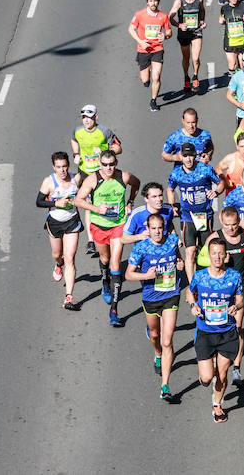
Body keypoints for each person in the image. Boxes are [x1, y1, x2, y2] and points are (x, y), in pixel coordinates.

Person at [74, 150, 140, 327]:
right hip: (99, 225)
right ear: (100, 164)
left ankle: (114, 311)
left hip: (118, 225)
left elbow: (137, 184)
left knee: (116, 265)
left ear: (116, 163)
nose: (108, 168)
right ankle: (105, 281)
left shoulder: (123, 177)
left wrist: (129, 202)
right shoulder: (93, 179)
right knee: (105, 258)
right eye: (105, 165)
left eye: (111, 164)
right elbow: (78, 201)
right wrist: (96, 209)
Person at [125, 213, 184, 401]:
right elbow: (128, 274)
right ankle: (157, 353)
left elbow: (178, 258)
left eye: (160, 228)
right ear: (148, 230)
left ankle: (165, 385)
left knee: (167, 340)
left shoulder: (173, 240)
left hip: (171, 295)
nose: (158, 232)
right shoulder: (141, 247)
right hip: (151, 297)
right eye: (154, 229)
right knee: (155, 335)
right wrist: (146, 276)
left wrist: (180, 263)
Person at [186, 237, 244, 423]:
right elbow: (190, 292)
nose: (217, 257)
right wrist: (194, 304)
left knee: (222, 373)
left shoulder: (234, 276)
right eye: (214, 253)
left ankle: (217, 405)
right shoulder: (200, 276)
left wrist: (236, 306)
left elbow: (241, 298)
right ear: (209, 255)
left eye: (221, 253)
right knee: (206, 377)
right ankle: (206, 375)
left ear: (226, 255)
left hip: (227, 332)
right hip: (205, 332)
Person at [200, 205, 244, 386]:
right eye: (228, 225)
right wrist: (221, 260)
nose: (231, 228)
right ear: (221, 221)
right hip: (219, 289)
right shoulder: (215, 238)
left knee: (238, 326)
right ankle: (216, 356)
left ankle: (236, 368)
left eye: (235, 224)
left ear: (239, 222)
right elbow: (201, 260)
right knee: (222, 324)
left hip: (240, 285)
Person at [166, 143, 223, 282]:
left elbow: (221, 183)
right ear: (181, 157)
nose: (188, 159)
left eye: (191, 155)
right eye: (185, 156)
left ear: (195, 156)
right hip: (187, 216)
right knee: (190, 252)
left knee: (206, 251)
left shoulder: (205, 169)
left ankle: (208, 280)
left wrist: (215, 192)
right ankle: (193, 285)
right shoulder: (176, 173)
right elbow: (170, 189)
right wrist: (173, 204)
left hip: (205, 216)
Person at [70, 104, 122, 255]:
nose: (86, 120)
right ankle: (91, 240)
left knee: (104, 201)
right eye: (84, 117)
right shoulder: (78, 131)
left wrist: (107, 151)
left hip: (103, 172)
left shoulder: (104, 131)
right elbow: (73, 139)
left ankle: (110, 231)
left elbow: (119, 147)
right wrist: (76, 154)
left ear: (96, 117)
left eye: (89, 116)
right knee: (88, 204)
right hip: (86, 172)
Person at [36, 151, 82, 310]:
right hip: (54, 222)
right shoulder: (49, 182)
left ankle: (68, 297)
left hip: (72, 221)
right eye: (58, 167)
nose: (62, 170)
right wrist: (56, 204)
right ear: (53, 167)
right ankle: (58, 264)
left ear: (68, 166)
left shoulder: (76, 179)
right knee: (57, 254)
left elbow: (88, 190)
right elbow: (39, 202)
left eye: (64, 166)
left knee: (70, 257)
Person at [128, 0, 172, 112]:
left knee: (156, 77)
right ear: (147, 2)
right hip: (143, 50)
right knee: (145, 79)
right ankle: (145, 78)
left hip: (157, 49)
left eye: (155, 1)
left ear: (158, 2)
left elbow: (169, 32)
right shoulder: (139, 14)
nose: (153, 3)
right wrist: (140, 41)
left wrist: (166, 36)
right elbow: (131, 29)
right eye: (151, 1)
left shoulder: (163, 16)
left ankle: (153, 100)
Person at [169, 0, 206, 92]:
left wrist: (202, 21)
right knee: (186, 58)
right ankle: (186, 76)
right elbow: (170, 17)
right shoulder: (179, 1)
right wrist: (179, 25)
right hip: (184, 33)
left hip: (196, 31)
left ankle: (195, 76)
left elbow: (202, 11)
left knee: (195, 58)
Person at [122, 181, 175, 245]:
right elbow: (123, 239)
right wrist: (140, 236)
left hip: (163, 249)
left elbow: (169, 224)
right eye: (154, 196)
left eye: (160, 195)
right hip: (144, 251)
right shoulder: (136, 214)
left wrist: (175, 237)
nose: (159, 199)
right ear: (146, 199)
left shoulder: (168, 210)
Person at [219, 0, 244, 76]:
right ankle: (233, 86)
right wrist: (221, 21)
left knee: (243, 65)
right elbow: (221, 18)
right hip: (230, 41)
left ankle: (242, 86)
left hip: (243, 41)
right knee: (232, 66)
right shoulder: (224, 8)